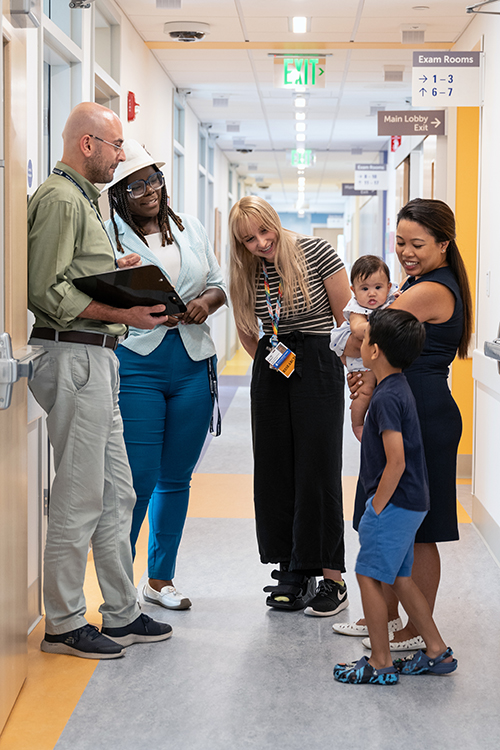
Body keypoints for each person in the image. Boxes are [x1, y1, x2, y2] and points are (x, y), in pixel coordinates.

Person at [27, 103, 172, 659]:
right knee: (79, 496)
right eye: (115, 146)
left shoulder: (83, 200)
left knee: (118, 493)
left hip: (97, 359)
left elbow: (73, 276)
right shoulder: (62, 199)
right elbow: (47, 292)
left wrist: (118, 271)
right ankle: (63, 622)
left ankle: (121, 612)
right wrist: (125, 313)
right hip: (74, 358)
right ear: (87, 144)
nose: (121, 155)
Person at [334, 198, 473, 650]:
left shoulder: (434, 288)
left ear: (443, 244)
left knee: (420, 525)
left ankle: (415, 629)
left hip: (423, 412)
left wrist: (357, 323)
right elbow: (365, 341)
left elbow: (369, 334)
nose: (406, 252)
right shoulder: (416, 282)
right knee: (393, 518)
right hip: (401, 403)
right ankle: (390, 619)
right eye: (400, 242)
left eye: (417, 244)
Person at [104, 140, 226, 611]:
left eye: (154, 179)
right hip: (138, 363)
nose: (149, 190)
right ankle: (118, 593)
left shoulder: (189, 228)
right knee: (138, 479)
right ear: (119, 193)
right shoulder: (110, 236)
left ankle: (159, 580)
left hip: (193, 362)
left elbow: (217, 282)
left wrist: (205, 303)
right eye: (136, 185)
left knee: (177, 477)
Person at [228, 196, 352, 616]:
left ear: (275, 223)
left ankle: (332, 578)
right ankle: (293, 571)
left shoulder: (317, 251)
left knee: (317, 469)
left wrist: (339, 370)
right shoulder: (246, 271)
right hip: (273, 367)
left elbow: (345, 318)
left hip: (318, 361)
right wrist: (271, 363)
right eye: (249, 239)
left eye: (265, 231)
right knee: (275, 470)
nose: (261, 243)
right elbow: (248, 330)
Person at [333, 309, 457, 685]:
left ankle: (381, 662)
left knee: (368, 574)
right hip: (412, 502)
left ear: (375, 351)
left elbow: (396, 461)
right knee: (401, 578)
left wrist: (376, 506)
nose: (362, 342)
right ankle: (436, 651)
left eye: (366, 338)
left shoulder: (387, 399)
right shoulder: (396, 387)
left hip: (394, 503)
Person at [330, 255, 398, 440]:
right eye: (365, 288)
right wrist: (384, 326)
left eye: (378, 287)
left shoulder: (391, 300)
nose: (372, 293)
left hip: (382, 362)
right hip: (362, 362)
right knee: (365, 391)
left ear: (388, 287)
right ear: (353, 290)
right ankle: (358, 424)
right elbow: (358, 329)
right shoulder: (357, 308)